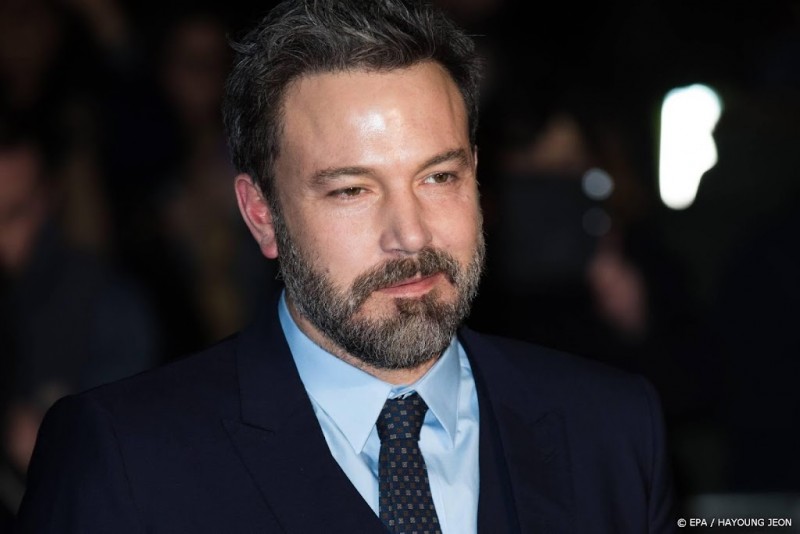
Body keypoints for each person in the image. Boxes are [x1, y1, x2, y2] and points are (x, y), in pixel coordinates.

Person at [15, 0, 676, 532]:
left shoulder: (612, 430)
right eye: (352, 190)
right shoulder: (127, 457)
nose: (410, 234)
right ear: (262, 215)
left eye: (439, 177)